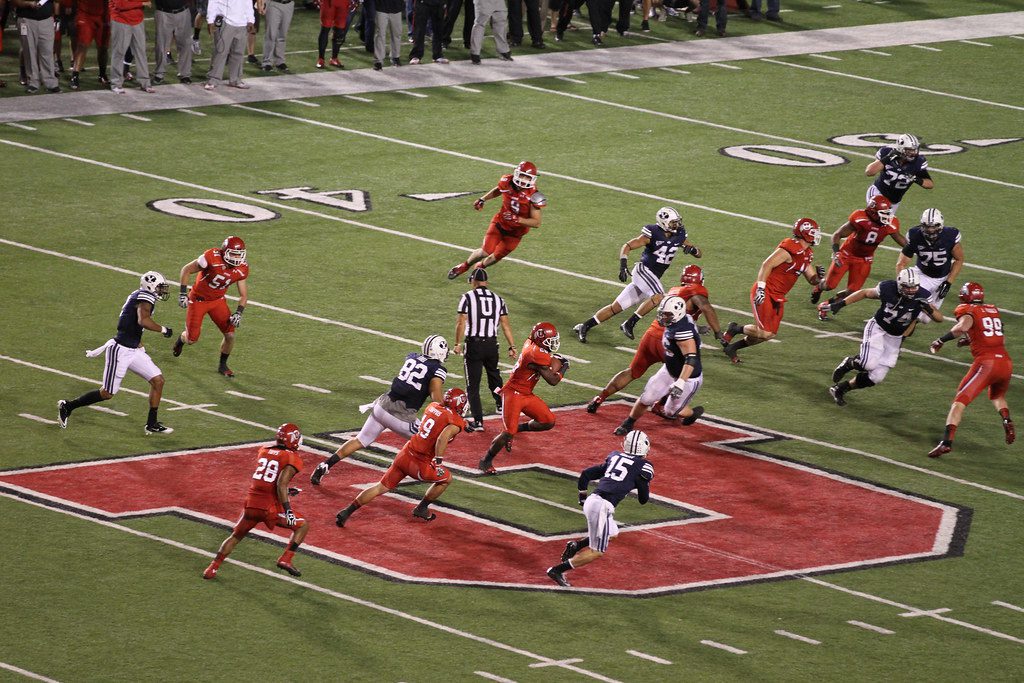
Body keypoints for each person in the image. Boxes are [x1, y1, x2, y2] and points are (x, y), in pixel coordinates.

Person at [311, 335, 450, 485]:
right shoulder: (437, 369)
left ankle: (325, 464)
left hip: (382, 406)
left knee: (360, 439)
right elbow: (436, 397)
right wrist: (448, 410)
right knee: (429, 439)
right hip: (401, 415)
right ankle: (405, 469)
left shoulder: (412, 358)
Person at [590, 265, 721, 413]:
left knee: (632, 371)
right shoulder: (697, 291)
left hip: (652, 334)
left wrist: (633, 319)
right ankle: (661, 405)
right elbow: (706, 308)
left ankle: (599, 398)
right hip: (670, 340)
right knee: (679, 374)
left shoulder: (674, 290)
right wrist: (718, 332)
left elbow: (667, 309)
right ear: (700, 279)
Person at [57, 272, 175, 435]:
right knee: (107, 393)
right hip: (120, 350)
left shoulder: (140, 295)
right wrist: (163, 329)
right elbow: (143, 320)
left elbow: (130, 323)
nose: (162, 290)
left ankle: (151, 423)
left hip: (132, 349)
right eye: (160, 287)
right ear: (151, 286)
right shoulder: (145, 296)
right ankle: (68, 406)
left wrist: (138, 342)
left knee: (158, 381)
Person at [335, 388, 469, 526]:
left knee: (379, 487)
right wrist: (439, 463)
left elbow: (439, 420)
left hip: (405, 454)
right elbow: (442, 437)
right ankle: (421, 508)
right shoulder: (455, 422)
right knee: (447, 479)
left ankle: (347, 511)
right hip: (420, 464)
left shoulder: (433, 406)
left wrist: (463, 424)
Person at [573, 207, 701, 344]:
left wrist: (692, 250)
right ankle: (629, 323)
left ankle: (585, 326)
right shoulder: (652, 233)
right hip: (643, 271)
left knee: (615, 307)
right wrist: (623, 265)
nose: (676, 225)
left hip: (652, 278)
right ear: (663, 223)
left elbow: (699, 254)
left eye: (676, 222)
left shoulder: (679, 234)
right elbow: (627, 246)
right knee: (659, 296)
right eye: (673, 222)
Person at [546, 430, 654, 588]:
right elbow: (643, 500)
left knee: (613, 533)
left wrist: (582, 498)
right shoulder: (644, 467)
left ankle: (576, 546)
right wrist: (641, 482)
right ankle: (556, 570)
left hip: (594, 501)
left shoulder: (615, 456)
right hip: (602, 506)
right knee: (597, 551)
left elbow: (586, 474)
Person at [819, 269, 941, 407]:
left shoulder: (922, 296)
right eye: (908, 287)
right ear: (900, 285)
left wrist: (928, 308)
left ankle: (840, 389)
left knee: (876, 377)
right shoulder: (888, 288)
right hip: (878, 328)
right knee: (867, 364)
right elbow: (865, 293)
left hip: (895, 337)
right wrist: (840, 304)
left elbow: (939, 318)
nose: (912, 290)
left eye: (914, 287)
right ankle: (850, 363)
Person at [203, 423, 308, 579]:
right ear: (292, 439)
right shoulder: (292, 457)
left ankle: (212, 568)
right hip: (268, 508)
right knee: (303, 526)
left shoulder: (264, 450)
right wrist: (288, 511)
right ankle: (286, 559)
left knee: (236, 536)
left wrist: (286, 491)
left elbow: (268, 480)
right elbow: (280, 483)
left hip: (251, 504)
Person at [927, 282, 1014, 457]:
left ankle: (946, 442)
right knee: (997, 396)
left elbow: (962, 327)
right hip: (1005, 362)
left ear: (965, 295)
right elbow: (996, 332)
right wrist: (971, 340)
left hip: (986, 364)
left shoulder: (967, 309)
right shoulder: (992, 309)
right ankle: (1007, 421)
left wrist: (941, 340)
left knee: (959, 402)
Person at [721, 218, 825, 363]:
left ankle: (733, 347)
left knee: (769, 335)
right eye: (814, 232)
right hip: (766, 291)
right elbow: (766, 265)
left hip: (778, 296)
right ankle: (735, 329)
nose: (817, 235)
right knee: (765, 332)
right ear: (805, 232)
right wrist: (761, 289)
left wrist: (819, 278)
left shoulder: (807, 253)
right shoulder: (790, 248)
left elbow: (811, 279)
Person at [479, 322, 565, 474]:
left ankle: (516, 430)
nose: (553, 343)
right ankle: (485, 461)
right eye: (549, 340)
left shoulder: (533, 344)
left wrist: (556, 362)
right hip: (513, 394)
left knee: (548, 421)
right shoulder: (535, 353)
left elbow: (548, 363)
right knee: (507, 432)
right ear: (540, 339)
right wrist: (564, 367)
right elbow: (553, 380)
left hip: (526, 393)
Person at [613, 295, 704, 436]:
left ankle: (692, 414)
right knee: (647, 397)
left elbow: (691, 359)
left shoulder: (682, 333)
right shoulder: (680, 320)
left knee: (670, 411)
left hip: (688, 377)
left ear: (678, 314)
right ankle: (628, 423)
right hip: (669, 369)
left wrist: (680, 382)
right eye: (662, 313)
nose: (663, 317)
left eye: (667, 314)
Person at [446, 161, 546, 279]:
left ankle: (480, 268)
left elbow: (536, 222)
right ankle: (464, 266)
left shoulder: (534, 196)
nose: (523, 179)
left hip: (515, 234)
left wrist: (517, 219)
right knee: (485, 251)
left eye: (527, 177)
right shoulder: (507, 181)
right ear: (516, 173)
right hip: (500, 223)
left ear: (532, 179)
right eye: (522, 175)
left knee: (496, 257)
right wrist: (483, 199)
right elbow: (499, 189)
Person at [173, 236, 250, 377]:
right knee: (191, 339)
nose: (236, 258)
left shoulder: (242, 268)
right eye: (233, 254)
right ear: (225, 251)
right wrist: (183, 293)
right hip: (198, 300)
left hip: (218, 301)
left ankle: (222, 365)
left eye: (239, 255)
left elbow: (243, 295)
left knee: (230, 335)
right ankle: (181, 339)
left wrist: (239, 312)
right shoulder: (211, 257)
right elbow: (186, 270)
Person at [810, 195, 906, 306]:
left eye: (887, 212)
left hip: (865, 259)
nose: (887, 217)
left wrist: (914, 247)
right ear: (872, 212)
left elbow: (899, 238)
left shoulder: (890, 224)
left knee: (852, 292)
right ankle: (819, 287)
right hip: (846, 254)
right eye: (883, 213)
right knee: (829, 285)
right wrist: (836, 252)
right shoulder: (860, 218)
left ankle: (827, 305)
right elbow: (837, 235)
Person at [454, 268, 516, 432]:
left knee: (473, 386)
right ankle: (500, 404)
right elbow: (505, 325)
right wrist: (512, 346)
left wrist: (457, 343)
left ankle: (479, 421)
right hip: (491, 345)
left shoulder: (467, 297)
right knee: (494, 377)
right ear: (486, 282)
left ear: (473, 281)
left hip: (474, 345)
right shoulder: (498, 299)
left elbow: (461, 322)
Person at [895, 208, 964, 323]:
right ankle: (895, 330)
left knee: (926, 318)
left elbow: (959, 259)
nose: (931, 230)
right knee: (912, 308)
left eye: (934, 226)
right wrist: (900, 282)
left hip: (941, 279)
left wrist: (948, 282)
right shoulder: (915, 235)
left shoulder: (950, 235)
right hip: (922, 275)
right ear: (922, 225)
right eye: (927, 226)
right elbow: (901, 263)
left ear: (941, 225)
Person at [864, 133, 933, 213]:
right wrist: (888, 158)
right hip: (878, 192)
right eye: (909, 150)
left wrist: (915, 179)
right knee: (875, 217)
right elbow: (869, 172)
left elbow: (930, 184)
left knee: (884, 223)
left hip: (894, 201)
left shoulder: (918, 162)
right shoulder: (887, 153)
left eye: (914, 149)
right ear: (901, 148)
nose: (913, 153)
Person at [203, 0, 255, 89]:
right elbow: (213, 2)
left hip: (242, 23)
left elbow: (248, 3)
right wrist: (210, 20)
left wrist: (250, 20)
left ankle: (236, 80)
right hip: (225, 21)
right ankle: (213, 80)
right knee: (220, 52)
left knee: (238, 53)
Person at [13, 0, 61, 93]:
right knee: (29, 52)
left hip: (47, 19)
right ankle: (33, 82)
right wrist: (28, 4)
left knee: (48, 52)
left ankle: (51, 83)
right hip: (26, 19)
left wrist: (57, 16)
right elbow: (15, 1)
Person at [109, 0, 155, 93]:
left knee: (141, 52)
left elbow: (147, 1)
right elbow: (120, 5)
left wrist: (140, 3)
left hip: (138, 20)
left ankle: (145, 83)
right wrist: (140, 3)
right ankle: (116, 83)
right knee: (119, 52)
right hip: (121, 20)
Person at [70, 0, 111, 89]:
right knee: (82, 45)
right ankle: (75, 75)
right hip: (85, 14)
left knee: (103, 47)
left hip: (103, 15)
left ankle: (102, 74)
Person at [154, 0, 195, 84]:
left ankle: (185, 74)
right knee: (161, 45)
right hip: (163, 12)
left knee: (185, 44)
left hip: (183, 11)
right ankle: (159, 73)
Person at [408, 0, 446, 64]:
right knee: (419, 29)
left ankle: (438, 55)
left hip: (438, 3)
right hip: (422, 2)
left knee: (438, 29)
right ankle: (416, 55)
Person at [260, 0, 292, 72]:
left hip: (289, 4)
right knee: (271, 33)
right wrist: (261, 3)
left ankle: (280, 61)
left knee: (282, 34)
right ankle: (267, 62)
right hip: (273, 3)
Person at [315, 0, 348, 67]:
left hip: (343, 2)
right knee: (325, 28)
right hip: (328, 2)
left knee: (340, 30)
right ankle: (321, 59)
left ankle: (334, 58)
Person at [372, 0, 403, 69]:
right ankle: (378, 60)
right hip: (381, 7)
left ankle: (395, 56)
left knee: (397, 33)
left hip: (396, 8)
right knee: (380, 34)